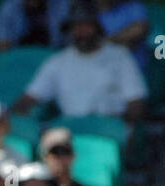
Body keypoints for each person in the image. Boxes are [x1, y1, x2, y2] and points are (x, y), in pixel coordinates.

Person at [12, 0, 146, 123]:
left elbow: (136, 102)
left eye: (86, 26)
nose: (81, 32)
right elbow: (30, 97)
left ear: (97, 27)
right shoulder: (58, 61)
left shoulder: (119, 56)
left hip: (108, 127)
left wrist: (123, 127)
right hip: (70, 128)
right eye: (76, 27)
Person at [0, 0, 70, 51]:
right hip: (21, 59)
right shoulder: (9, 7)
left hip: (52, 56)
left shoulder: (62, 5)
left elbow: (70, 43)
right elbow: (1, 46)